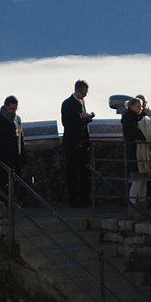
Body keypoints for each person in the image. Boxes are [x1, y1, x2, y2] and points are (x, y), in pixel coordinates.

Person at [61, 79, 94, 207]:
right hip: (72, 143)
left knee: (85, 171)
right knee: (73, 172)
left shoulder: (81, 102)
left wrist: (87, 118)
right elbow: (67, 122)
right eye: (84, 92)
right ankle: (74, 200)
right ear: (77, 90)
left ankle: (85, 198)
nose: (85, 95)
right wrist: (81, 116)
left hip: (83, 142)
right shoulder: (67, 103)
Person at [121, 95, 147, 205]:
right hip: (135, 152)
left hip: (139, 152)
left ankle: (142, 205)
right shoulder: (129, 119)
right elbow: (135, 133)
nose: (140, 109)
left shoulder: (139, 118)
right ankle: (133, 206)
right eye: (138, 106)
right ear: (131, 106)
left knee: (143, 181)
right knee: (137, 180)